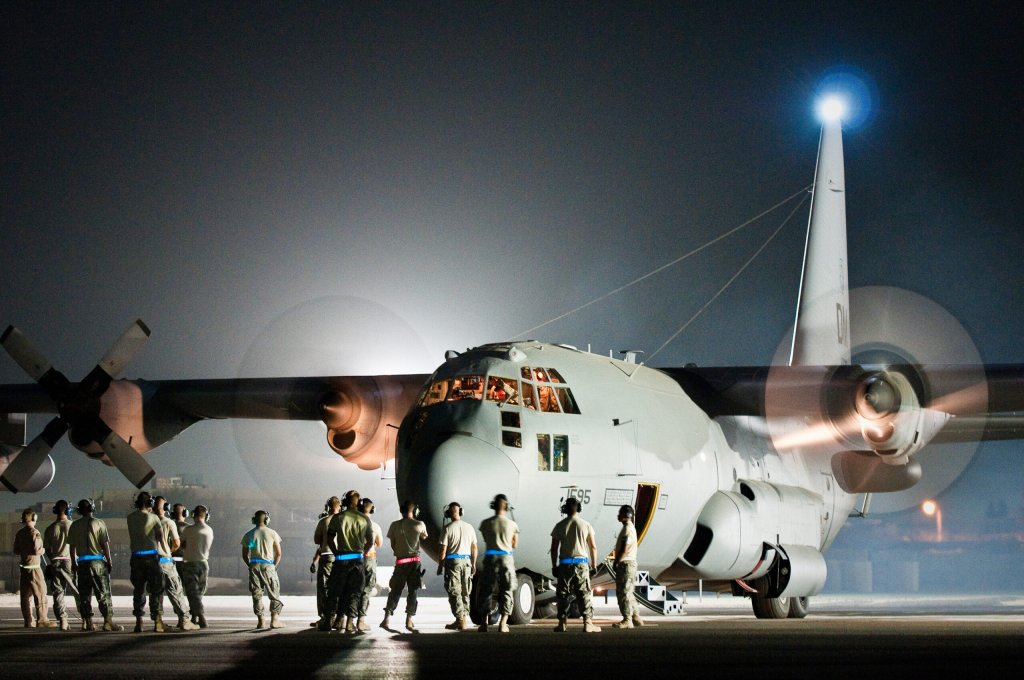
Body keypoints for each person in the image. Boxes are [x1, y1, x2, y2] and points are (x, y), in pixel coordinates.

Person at [321, 490, 372, 633]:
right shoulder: (364, 519)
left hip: (341, 559)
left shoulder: (338, 518)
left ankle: (328, 621)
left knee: (334, 591)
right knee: (355, 592)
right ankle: (350, 623)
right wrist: (363, 552)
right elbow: (370, 541)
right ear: (358, 502)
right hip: (357, 559)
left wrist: (336, 552)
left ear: (344, 502)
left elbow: (330, 538)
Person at [69, 498, 122, 631]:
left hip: (82, 563)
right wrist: (109, 561)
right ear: (91, 508)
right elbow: (104, 544)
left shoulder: (74, 525)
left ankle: (88, 623)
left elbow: (72, 547)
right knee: (103, 593)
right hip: (97, 562)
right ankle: (108, 621)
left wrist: (74, 563)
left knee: (84, 594)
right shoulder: (99, 523)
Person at [550, 497, 601, 632]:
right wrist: (594, 565)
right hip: (581, 564)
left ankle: (562, 623)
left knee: (563, 594)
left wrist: (554, 566)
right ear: (579, 508)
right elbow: (593, 547)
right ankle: (587, 623)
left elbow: (554, 549)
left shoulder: (559, 525)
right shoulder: (586, 525)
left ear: (565, 509)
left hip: (564, 564)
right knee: (583, 593)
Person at [151, 496, 199, 631]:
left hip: (151, 561)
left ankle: (158, 622)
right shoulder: (168, 522)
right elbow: (177, 543)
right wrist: (169, 551)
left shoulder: (148, 521)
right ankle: (184, 620)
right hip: (165, 561)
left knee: (156, 593)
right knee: (175, 590)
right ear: (166, 508)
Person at [381, 500, 428, 632]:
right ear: (415, 511)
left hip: (401, 561)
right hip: (414, 562)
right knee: (413, 591)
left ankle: (386, 618)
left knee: (395, 590)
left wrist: (399, 551)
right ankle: (409, 619)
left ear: (401, 510)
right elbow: (424, 537)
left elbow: (393, 543)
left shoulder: (394, 525)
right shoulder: (419, 524)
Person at [477, 493, 519, 633]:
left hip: (490, 557)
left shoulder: (485, 523)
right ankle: (503, 623)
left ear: (493, 505)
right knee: (507, 589)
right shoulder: (512, 524)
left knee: (486, 590)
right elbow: (515, 545)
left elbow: (486, 539)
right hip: (506, 558)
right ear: (507, 506)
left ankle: (484, 623)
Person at [436, 501, 477, 630]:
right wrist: (473, 563)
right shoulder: (469, 527)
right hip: (467, 561)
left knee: (455, 591)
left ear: (448, 513)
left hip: (453, 562)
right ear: (461, 511)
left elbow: (443, 550)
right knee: (465, 591)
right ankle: (463, 618)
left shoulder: (447, 528)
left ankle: (460, 620)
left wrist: (440, 565)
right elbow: (474, 547)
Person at [241, 509, 285, 629]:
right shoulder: (272, 533)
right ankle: (275, 620)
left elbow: (244, 555)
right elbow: (279, 553)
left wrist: (250, 565)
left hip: (254, 565)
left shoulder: (249, 534)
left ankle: (261, 620)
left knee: (257, 593)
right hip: (268, 565)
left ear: (254, 520)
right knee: (274, 592)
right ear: (267, 520)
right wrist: (274, 566)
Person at [13, 508, 54, 628]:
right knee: (40, 593)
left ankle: (28, 621)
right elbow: (37, 550)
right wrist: (44, 550)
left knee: (25, 597)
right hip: (34, 568)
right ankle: (42, 620)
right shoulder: (35, 532)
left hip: (24, 568)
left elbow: (16, 550)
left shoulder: (20, 533)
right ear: (34, 518)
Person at [43, 499, 75, 631]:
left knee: (58, 591)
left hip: (56, 560)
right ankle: (86, 620)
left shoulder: (50, 528)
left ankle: (63, 620)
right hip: (70, 561)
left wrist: (52, 560)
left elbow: (47, 549)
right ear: (68, 510)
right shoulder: (73, 526)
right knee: (77, 590)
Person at [180, 505, 214, 628]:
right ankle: (194, 616)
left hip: (190, 563)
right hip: (204, 564)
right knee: (199, 592)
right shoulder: (209, 530)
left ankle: (201, 616)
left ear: (193, 515)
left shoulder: (188, 530)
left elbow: (182, 545)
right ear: (206, 516)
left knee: (192, 592)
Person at [611, 504, 642, 628]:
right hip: (629, 564)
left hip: (626, 564)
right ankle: (636, 617)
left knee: (623, 592)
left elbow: (624, 549)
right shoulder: (629, 528)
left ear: (627, 515)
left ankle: (627, 619)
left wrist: (616, 561)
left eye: (621, 513)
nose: (618, 515)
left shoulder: (627, 530)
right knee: (629, 592)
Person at [311, 496, 341, 627]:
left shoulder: (323, 521)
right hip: (342, 557)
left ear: (328, 507)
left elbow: (317, 540)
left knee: (323, 588)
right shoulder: (343, 519)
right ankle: (338, 618)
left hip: (327, 555)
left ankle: (325, 617)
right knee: (339, 587)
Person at [358, 497, 383, 632]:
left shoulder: (355, 523)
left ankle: (345, 620)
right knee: (366, 589)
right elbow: (379, 543)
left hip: (354, 558)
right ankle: (361, 620)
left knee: (353, 589)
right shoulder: (375, 526)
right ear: (372, 509)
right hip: (369, 558)